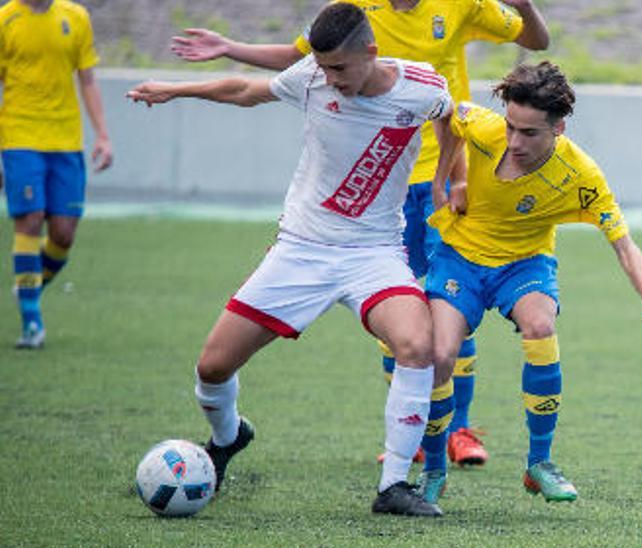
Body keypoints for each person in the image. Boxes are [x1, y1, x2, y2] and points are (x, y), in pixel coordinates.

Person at [170, 0, 550, 471]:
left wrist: (456, 179)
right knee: (399, 326)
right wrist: (230, 48)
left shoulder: (458, 8)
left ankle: (455, 430)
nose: (331, 76)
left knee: (446, 307)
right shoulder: (344, 19)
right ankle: (412, 435)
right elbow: (295, 59)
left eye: (339, 68)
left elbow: (527, 48)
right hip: (359, 206)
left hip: (425, 192)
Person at [128, 3, 455, 516]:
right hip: (301, 250)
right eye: (323, 68)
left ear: (371, 52)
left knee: (419, 347)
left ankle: (394, 486)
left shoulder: (423, 86)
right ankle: (228, 437)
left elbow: (448, 118)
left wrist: (446, 178)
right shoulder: (311, 78)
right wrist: (176, 88)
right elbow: (244, 91)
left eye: (340, 69)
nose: (329, 79)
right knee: (212, 367)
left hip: (375, 253)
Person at [423, 61, 642, 510]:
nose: (515, 141)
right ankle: (432, 468)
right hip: (459, 256)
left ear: (559, 127)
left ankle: (539, 463)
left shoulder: (580, 176)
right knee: (440, 354)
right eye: (511, 127)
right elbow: (446, 113)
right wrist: (450, 175)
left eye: (530, 133)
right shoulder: (484, 128)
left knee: (540, 326)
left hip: (524, 262)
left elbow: (623, 243)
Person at [0, 0, 112, 349]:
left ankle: (28, 286)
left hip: (65, 141)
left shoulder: (75, 17)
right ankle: (32, 322)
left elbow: (88, 79)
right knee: (30, 220)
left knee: (63, 235)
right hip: (19, 137)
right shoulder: (6, 20)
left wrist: (103, 135)